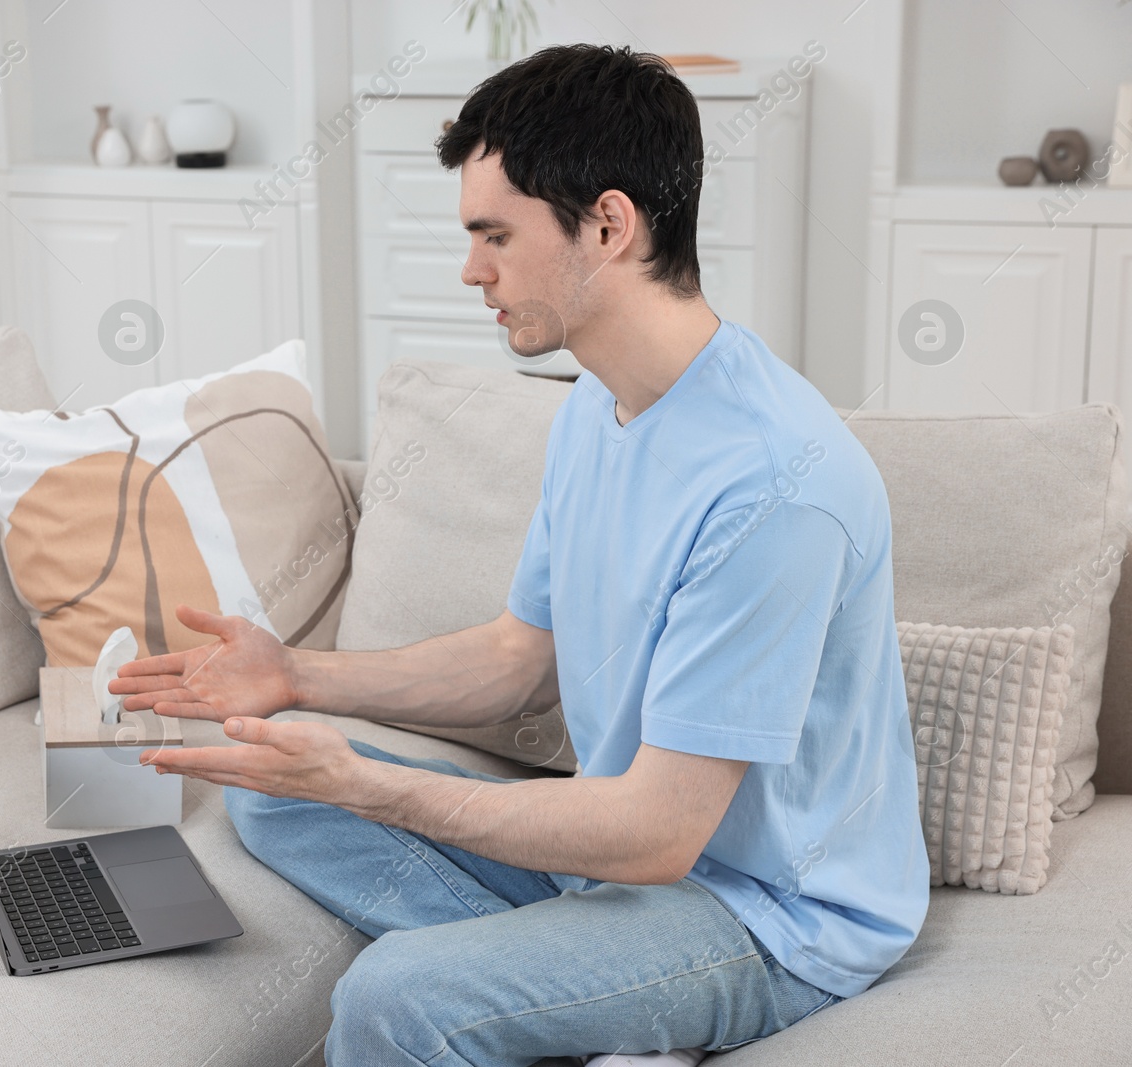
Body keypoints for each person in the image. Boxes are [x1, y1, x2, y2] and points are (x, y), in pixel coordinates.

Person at [107, 43, 929, 1067]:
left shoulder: (777, 483)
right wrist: (293, 673)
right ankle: (588, 1001)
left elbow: (660, 832)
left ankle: (574, 994)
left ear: (608, 225)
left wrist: (375, 787)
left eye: (495, 234)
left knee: (396, 1000)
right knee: (274, 786)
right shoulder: (598, 402)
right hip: (615, 864)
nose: (470, 269)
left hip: (762, 910)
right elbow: (514, 654)